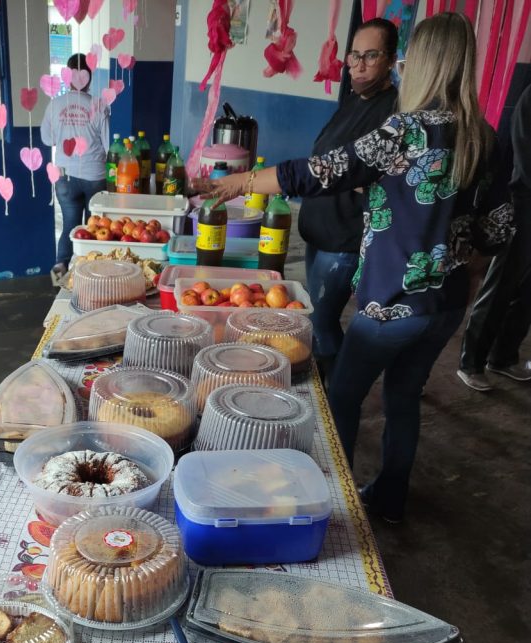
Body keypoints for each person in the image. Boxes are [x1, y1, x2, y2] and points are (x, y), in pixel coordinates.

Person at [197, 12, 513, 523]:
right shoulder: (486, 137)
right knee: (404, 395)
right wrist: (452, 245)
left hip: (389, 302)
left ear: (421, 63)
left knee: (341, 395)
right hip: (447, 304)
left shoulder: (409, 130)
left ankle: (330, 503)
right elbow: (497, 231)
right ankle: (390, 499)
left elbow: (321, 172)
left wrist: (242, 183)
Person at [300, 17, 399, 384]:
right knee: (315, 317)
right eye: (354, 55)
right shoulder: (354, 100)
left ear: (390, 60)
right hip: (319, 233)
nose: (358, 64)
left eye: (370, 56)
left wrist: (346, 177)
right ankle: (336, 387)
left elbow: (382, 178)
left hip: (342, 241)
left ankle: (341, 393)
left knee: (321, 323)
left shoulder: (394, 112)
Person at [457, 83, 531, 390]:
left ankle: (503, 357)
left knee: (529, 294)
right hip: (523, 203)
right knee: (501, 283)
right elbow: (526, 160)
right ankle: (471, 362)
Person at [41, 54, 109, 286]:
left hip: (64, 176)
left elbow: (47, 138)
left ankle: (58, 277)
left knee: (70, 225)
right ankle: (88, 278)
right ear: (89, 77)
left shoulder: (55, 104)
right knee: (94, 230)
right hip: (95, 176)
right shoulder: (98, 105)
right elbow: (109, 145)